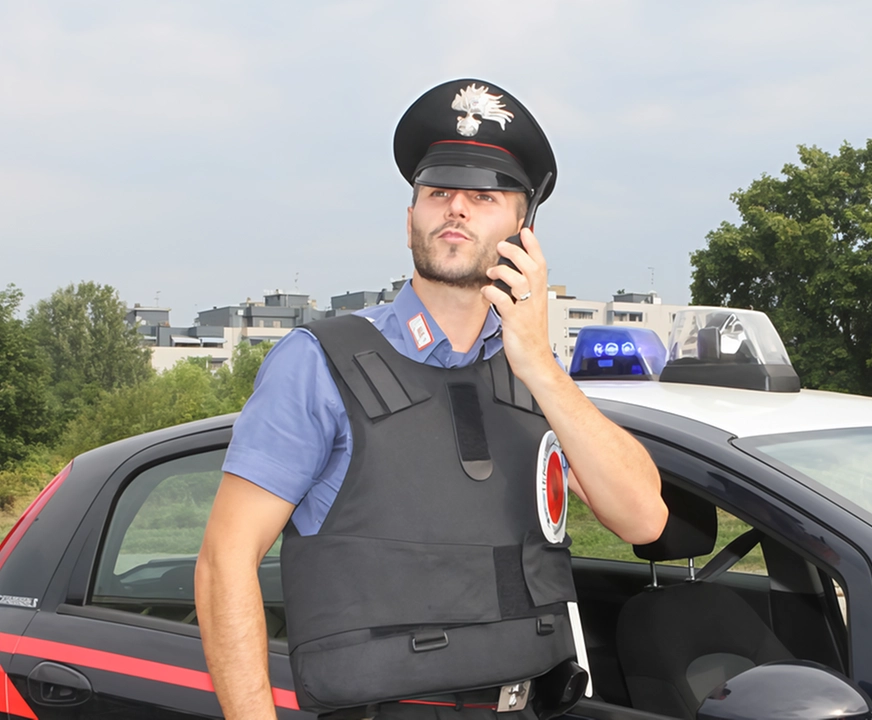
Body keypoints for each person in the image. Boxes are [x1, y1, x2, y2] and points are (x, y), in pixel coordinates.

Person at [194, 78, 668, 720]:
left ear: (524, 228)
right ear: (410, 217)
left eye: (484, 196)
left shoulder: (533, 375)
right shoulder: (319, 363)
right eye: (437, 193)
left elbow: (643, 519)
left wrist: (539, 364)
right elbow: (226, 559)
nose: (456, 210)